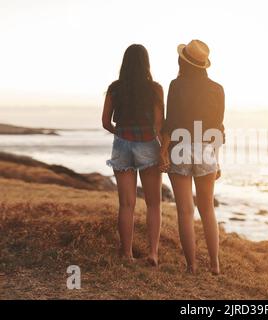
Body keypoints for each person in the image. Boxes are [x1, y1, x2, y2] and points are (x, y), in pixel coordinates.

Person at [160, 40, 225, 275]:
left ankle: (192, 266)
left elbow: (171, 121)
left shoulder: (176, 85)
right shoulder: (217, 89)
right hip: (207, 147)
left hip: (180, 147)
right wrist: (216, 159)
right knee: (207, 209)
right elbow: (218, 128)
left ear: (183, 61)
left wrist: (163, 151)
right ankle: (215, 265)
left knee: (185, 210)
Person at [102, 44, 164, 266]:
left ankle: (126, 254)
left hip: (122, 145)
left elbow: (105, 122)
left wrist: (121, 134)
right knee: (153, 204)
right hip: (148, 143)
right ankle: (153, 254)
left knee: (126, 204)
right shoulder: (155, 89)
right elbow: (158, 124)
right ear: (146, 63)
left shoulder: (115, 88)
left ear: (125, 62)